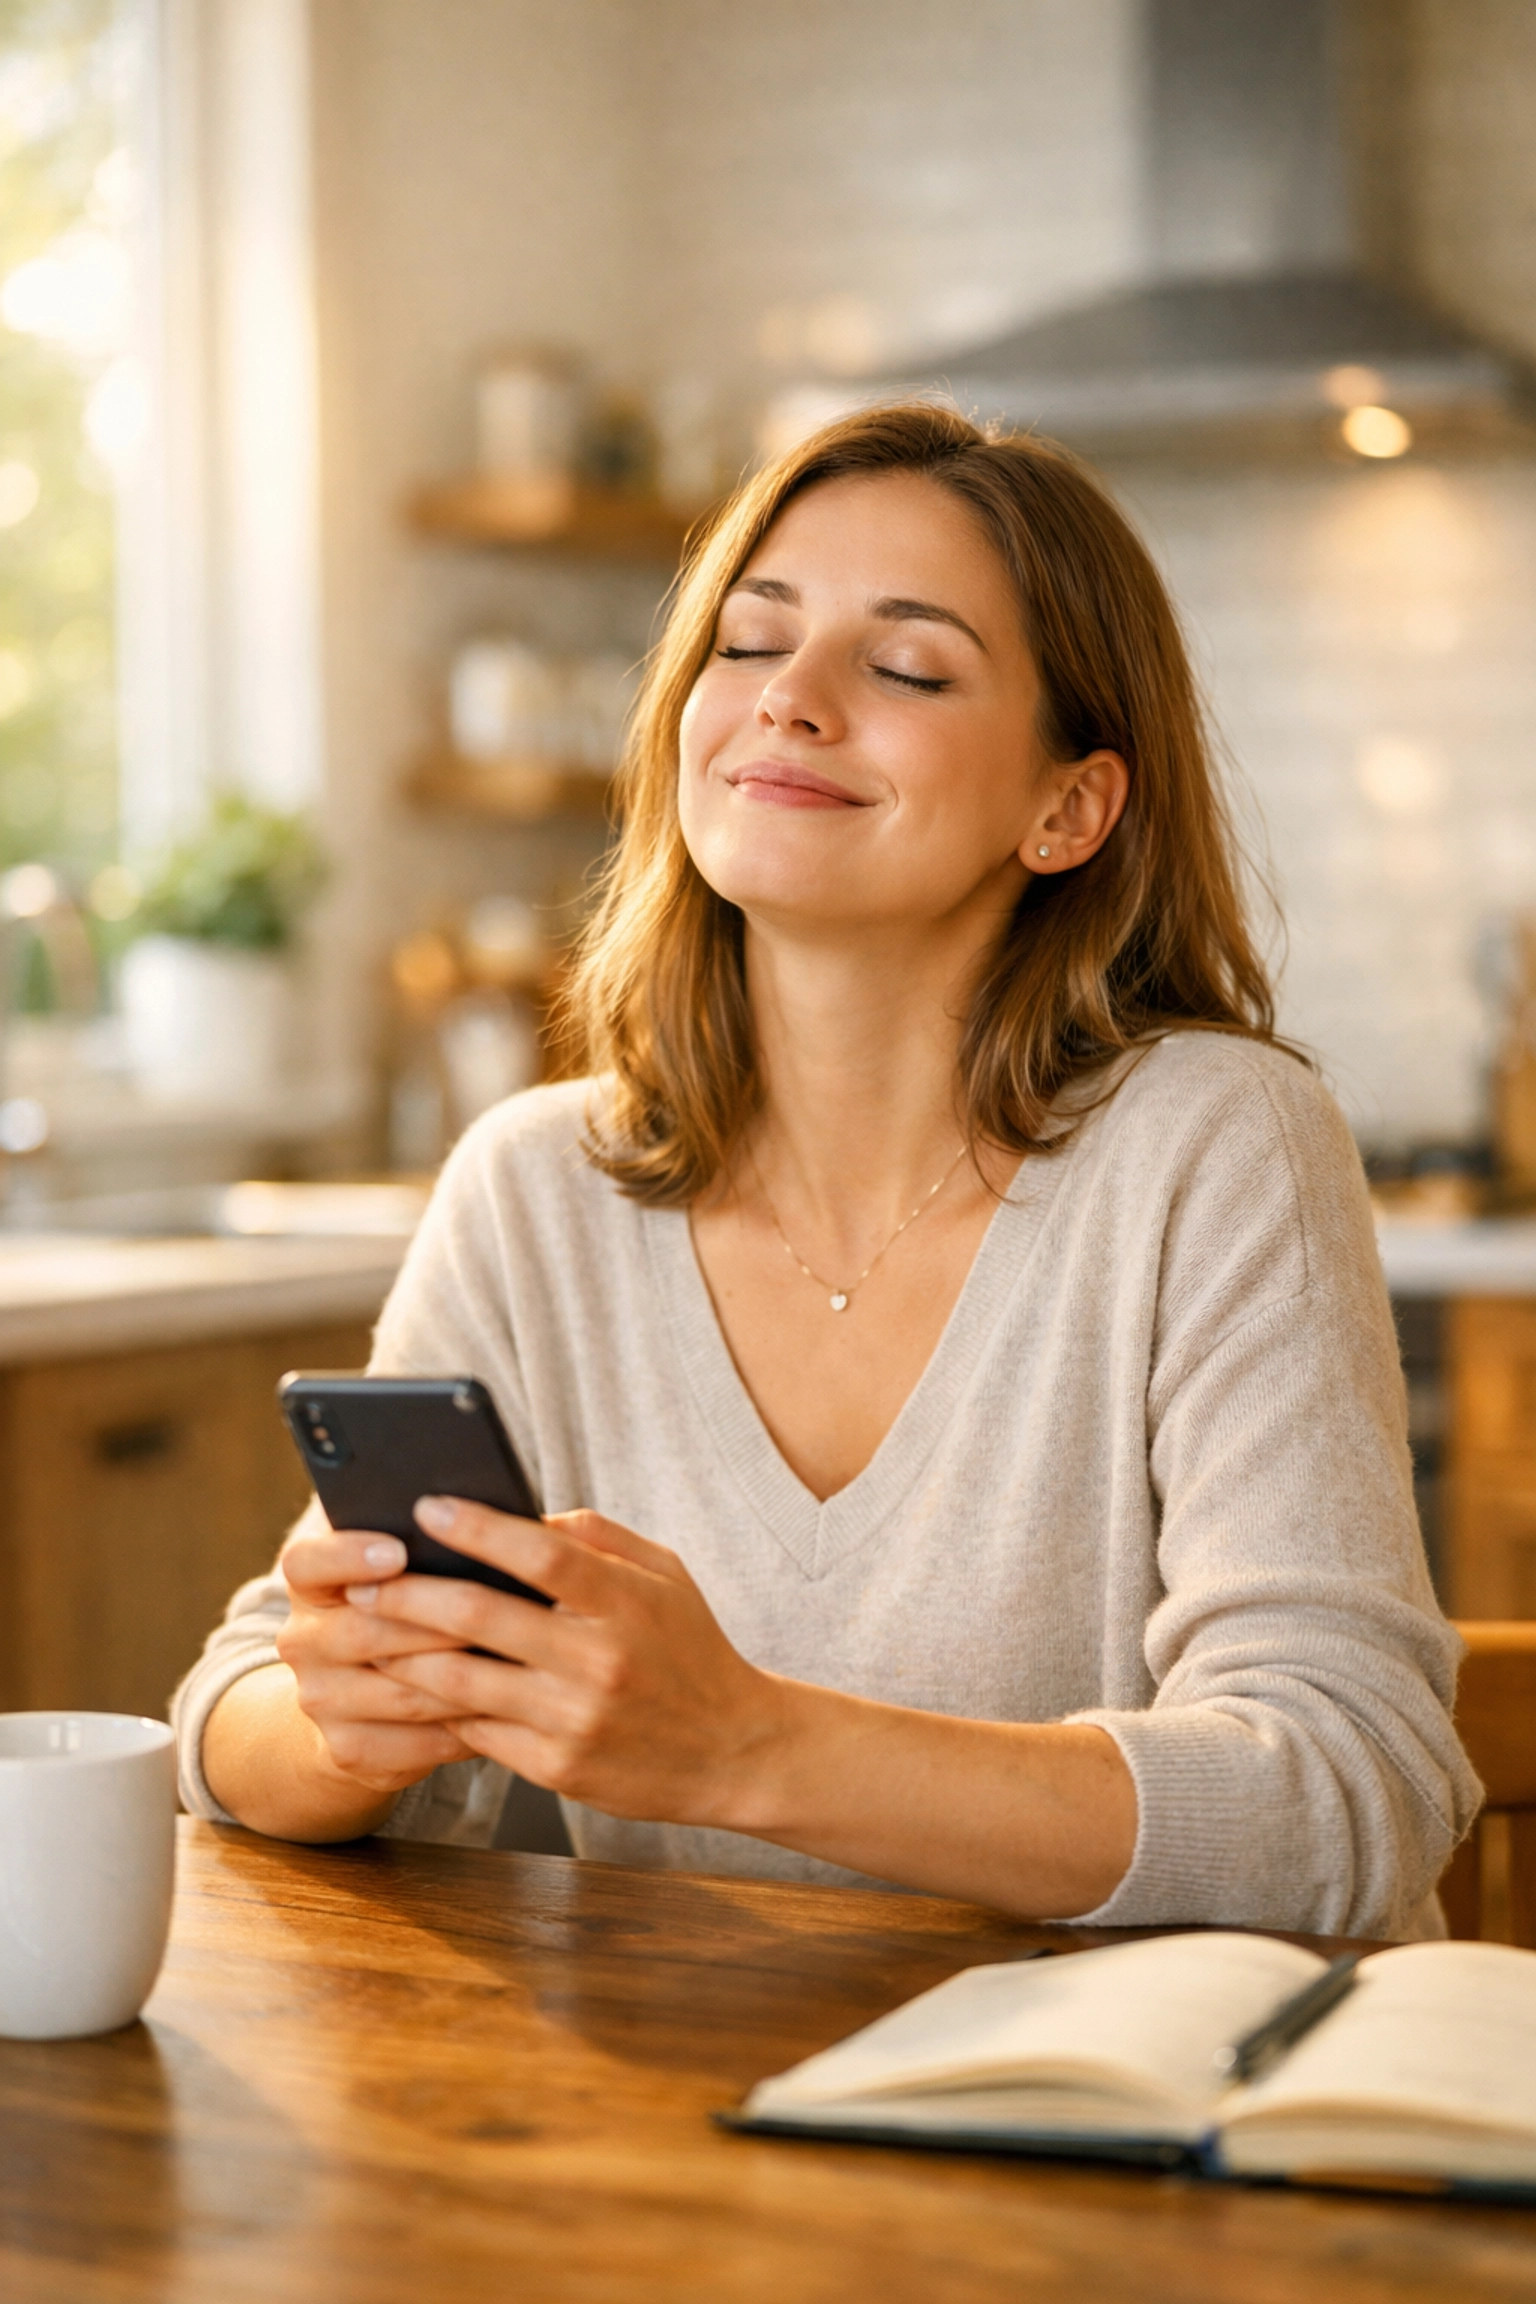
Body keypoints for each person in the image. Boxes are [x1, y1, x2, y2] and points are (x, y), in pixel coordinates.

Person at [175, 403, 1478, 1937]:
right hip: (726, 2119)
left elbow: (1347, 1791)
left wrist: (746, 1746)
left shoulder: (1216, 1144)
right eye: (746, 644)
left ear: (1068, 809)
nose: (790, 700)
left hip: (1183, 2121)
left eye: (909, 665)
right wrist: (345, 1721)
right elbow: (235, 1710)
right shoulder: (537, 1185)